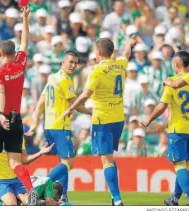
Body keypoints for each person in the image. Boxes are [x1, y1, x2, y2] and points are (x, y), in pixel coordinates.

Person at [62, 35, 138, 206]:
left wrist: (71, 107)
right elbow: (125, 55)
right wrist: (129, 43)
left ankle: (117, 200)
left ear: (98, 52)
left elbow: (86, 94)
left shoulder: (96, 71)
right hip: (118, 119)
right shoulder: (119, 65)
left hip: (102, 119)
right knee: (109, 158)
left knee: (106, 160)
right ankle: (114, 197)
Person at [0, 6, 36, 206]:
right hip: (16, 119)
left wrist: (1, 114)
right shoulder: (20, 64)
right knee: (15, 162)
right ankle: (30, 190)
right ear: (14, 53)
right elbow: (25, 43)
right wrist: (25, 19)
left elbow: (0, 92)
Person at [26, 50, 91, 205]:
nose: (73, 65)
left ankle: (63, 197)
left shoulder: (52, 78)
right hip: (60, 126)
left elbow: (41, 102)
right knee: (68, 163)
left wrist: (35, 122)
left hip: (49, 126)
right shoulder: (65, 80)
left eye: (75, 63)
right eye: (70, 62)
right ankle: (41, 184)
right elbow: (75, 104)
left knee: (63, 162)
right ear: (63, 62)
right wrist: (92, 112)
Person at [141, 50, 189, 206]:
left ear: (176, 64)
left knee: (179, 165)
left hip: (177, 129)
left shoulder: (172, 81)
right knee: (183, 165)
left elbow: (162, 106)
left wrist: (149, 119)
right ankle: (175, 198)